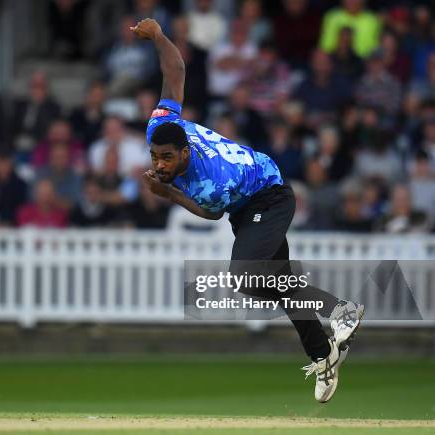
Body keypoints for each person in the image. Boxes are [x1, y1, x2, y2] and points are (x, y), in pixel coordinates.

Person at [130, 17, 364, 403]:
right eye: (156, 157)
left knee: (246, 274)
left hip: (268, 196)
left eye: (168, 159)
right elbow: (175, 71)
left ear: (185, 152)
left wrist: (167, 193)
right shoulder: (161, 126)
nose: (160, 164)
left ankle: (341, 309)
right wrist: (158, 36)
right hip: (246, 206)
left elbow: (211, 214)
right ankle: (324, 355)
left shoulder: (210, 180)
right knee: (278, 287)